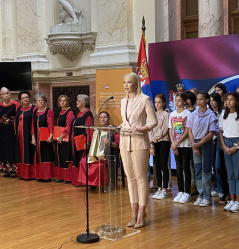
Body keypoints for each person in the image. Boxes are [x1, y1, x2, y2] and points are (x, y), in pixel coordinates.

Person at [120, 72, 157, 228]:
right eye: (124, 82)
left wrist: (143, 128)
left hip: (140, 141)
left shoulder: (145, 100)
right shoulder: (122, 101)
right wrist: (120, 126)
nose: (126, 85)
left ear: (136, 84)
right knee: (130, 178)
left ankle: (142, 213)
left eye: (129, 82)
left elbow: (154, 121)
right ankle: (134, 212)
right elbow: (125, 121)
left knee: (141, 177)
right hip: (124, 140)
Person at [187, 92, 216, 207]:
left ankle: (207, 197)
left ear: (207, 100)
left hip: (206, 143)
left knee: (206, 171)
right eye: (197, 99)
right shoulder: (193, 114)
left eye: (202, 99)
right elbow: (189, 130)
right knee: (198, 170)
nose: (199, 101)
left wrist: (198, 144)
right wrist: (194, 144)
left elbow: (211, 133)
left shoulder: (211, 115)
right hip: (195, 144)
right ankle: (200, 194)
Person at [78, 111, 120, 190]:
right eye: (101, 117)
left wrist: (109, 143)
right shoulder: (96, 130)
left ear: (108, 119)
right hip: (95, 154)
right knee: (83, 162)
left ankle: (101, 183)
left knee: (98, 166)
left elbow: (118, 145)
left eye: (105, 117)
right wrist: (87, 145)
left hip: (107, 155)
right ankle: (91, 183)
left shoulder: (113, 129)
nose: (103, 119)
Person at [169, 92, 192, 203]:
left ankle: (187, 192)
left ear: (184, 102)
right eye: (175, 100)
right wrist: (173, 144)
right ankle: (180, 190)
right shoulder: (172, 114)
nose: (177, 102)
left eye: (179, 100)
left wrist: (177, 142)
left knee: (185, 167)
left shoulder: (188, 114)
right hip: (175, 145)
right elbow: (170, 130)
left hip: (185, 145)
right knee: (178, 168)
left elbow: (187, 131)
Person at [66, 94, 93, 187]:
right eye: (77, 101)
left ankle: (82, 180)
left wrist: (87, 142)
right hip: (75, 140)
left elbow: (89, 129)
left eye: (79, 101)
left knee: (81, 158)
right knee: (75, 158)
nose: (77, 102)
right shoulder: (79, 113)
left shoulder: (87, 114)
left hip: (82, 141)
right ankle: (76, 180)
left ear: (84, 103)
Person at [219, 92, 239, 212]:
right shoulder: (223, 115)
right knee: (230, 174)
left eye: (231, 100)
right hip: (226, 143)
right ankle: (231, 199)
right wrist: (224, 146)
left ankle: (237, 200)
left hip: (236, 143)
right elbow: (221, 132)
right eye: (227, 100)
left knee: (237, 174)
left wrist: (235, 147)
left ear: (236, 101)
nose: (229, 102)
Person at [149, 94, 170, 200]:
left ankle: (165, 189)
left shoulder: (166, 114)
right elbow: (149, 130)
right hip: (154, 142)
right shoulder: (152, 115)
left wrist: (154, 139)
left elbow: (164, 129)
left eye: (159, 102)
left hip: (163, 142)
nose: (157, 104)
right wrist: (151, 144)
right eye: (155, 102)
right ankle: (159, 187)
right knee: (156, 165)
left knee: (163, 165)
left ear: (164, 103)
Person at [209, 92, 229, 203]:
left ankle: (222, 188)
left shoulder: (222, 113)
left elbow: (218, 130)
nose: (212, 102)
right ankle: (217, 187)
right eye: (210, 100)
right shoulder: (209, 113)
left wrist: (213, 132)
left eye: (214, 100)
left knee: (219, 166)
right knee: (213, 165)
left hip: (220, 141)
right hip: (210, 142)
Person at [33, 93, 54, 182]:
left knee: (46, 155)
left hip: (46, 137)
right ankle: (40, 175)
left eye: (42, 100)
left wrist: (51, 135)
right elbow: (32, 125)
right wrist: (33, 137)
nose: (40, 101)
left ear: (45, 101)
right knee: (39, 156)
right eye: (38, 100)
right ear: (35, 102)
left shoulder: (48, 111)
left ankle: (47, 176)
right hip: (37, 138)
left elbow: (51, 123)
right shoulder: (35, 111)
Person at [16, 90, 37, 180]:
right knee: (20, 153)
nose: (25, 99)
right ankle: (22, 174)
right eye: (23, 98)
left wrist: (33, 136)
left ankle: (30, 174)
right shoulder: (19, 109)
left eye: (27, 97)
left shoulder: (34, 108)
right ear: (20, 100)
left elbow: (34, 123)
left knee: (29, 152)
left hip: (29, 135)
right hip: (20, 136)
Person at [54, 95, 75, 183]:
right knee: (60, 157)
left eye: (64, 101)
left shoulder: (70, 112)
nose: (62, 102)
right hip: (59, 138)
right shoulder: (60, 112)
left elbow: (69, 125)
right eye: (61, 101)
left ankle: (68, 177)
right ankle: (61, 176)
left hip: (66, 137)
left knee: (66, 156)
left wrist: (61, 136)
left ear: (67, 102)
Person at [0, 87, 20, 177]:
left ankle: (14, 170)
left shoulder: (15, 104)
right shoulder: (0, 105)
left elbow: (19, 117)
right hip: (3, 131)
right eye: (3, 94)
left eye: (7, 93)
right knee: (4, 149)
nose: (6, 95)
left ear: (10, 94)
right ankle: (7, 170)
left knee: (12, 149)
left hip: (13, 130)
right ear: (1, 96)